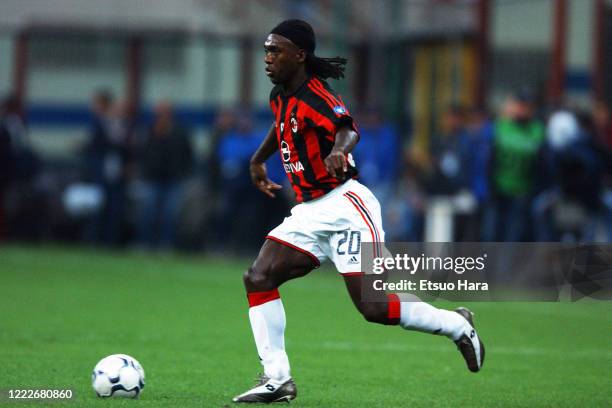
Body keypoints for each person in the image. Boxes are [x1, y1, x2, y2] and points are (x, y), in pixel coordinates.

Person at [232, 19, 485, 404]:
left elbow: (347, 128)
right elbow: (281, 126)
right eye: (266, 50)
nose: (268, 58)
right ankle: (277, 378)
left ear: (299, 55)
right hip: (309, 211)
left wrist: (338, 150)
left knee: (374, 307)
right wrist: (257, 159)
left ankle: (456, 324)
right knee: (259, 276)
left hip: (346, 205)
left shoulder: (317, 95)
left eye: (275, 50)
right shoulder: (280, 94)